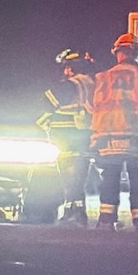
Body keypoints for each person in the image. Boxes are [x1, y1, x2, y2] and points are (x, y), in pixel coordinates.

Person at [90, 33, 138, 232]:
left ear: (118, 53)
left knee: (110, 177)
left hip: (108, 135)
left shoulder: (103, 77)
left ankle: (106, 221)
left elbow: (92, 105)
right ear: (135, 53)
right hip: (135, 135)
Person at [39, 48, 97, 226]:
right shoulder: (92, 83)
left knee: (68, 176)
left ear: (72, 67)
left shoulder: (72, 84)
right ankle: (76, 211)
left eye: (66, 67)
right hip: (85, 134)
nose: (65, 71)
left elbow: (47, 102)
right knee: (79, 176)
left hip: (68, 135)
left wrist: (39, 122)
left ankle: (72, 212)